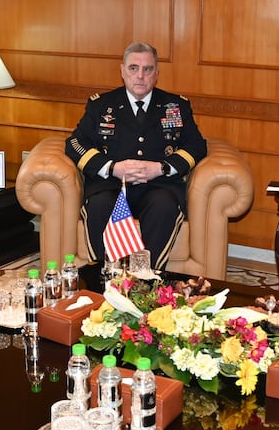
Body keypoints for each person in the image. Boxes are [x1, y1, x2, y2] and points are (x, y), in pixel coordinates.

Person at [65, 42, 207, 269]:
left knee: (164, 206)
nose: (140, 76)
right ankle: (105, 277)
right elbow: (75, 143)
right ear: (122, 71)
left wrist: (161, 168)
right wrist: (112, 167)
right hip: (111, 186)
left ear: (157, 74)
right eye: (133, 68)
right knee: (99, 204)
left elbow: (197, 146)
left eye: (148, 69)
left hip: (159, 187)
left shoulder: (176, 105)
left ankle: (147, 278)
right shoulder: (101, 105)